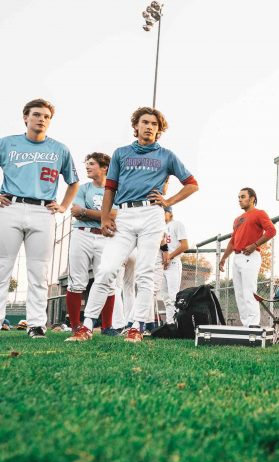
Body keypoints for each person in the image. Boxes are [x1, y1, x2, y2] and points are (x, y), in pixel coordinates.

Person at [66, 106, 198, 343]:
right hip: (124, 215)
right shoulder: (121, 153)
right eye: (145, 122)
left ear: (159, 130)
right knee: (106, 269)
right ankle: (85, 326)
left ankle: (136, 326)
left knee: (145, 272)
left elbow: (192, 183)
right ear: (136, 126)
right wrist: (105, 217)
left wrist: (168, 201)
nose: (149, 127)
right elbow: (110, 187)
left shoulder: (166, 155)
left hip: (151, 214)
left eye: (154, 124)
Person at [0, 98, 79, 339]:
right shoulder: (7, 143)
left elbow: (73, 181)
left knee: (39, 270)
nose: (41, 119)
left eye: (46, 116)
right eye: (36, 114)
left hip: (43, 211)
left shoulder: (59, 149)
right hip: (10, 207)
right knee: (3, 266)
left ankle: (36, 324)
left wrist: (64, 205)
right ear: (26, 117)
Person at [65, 152, 118, 333]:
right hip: (82, 234)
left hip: (105, 236)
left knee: (107, 279)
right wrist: (102, 215)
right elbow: (75, 211)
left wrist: (86, 212)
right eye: (87, 163)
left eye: (92, 163)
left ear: (104, 168)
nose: (87, 166)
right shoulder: (84, 188)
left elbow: (115, 215)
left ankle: (107, 326)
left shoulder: (114, 190)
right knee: (77, 281)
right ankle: (75, 326)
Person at [218, 188, 276, 327]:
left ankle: (253, 325)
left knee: (249, 292)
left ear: (252, 198)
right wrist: (224, 258)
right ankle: (246, 325)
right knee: (239, 294)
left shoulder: (259, 213)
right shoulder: (237, 219)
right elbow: (233, 241)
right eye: (238, 197)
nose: (240, 199)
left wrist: (255, 244)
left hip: (250, 255)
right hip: (237, 258)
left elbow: (272, 230)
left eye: (243, 196)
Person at [159, 208, 189, 323]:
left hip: (173, 263)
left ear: (170, 213)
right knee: (165, 298)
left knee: (173, 296)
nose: (162, 215)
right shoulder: (159, 226)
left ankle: (176, 323)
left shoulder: (177, 224)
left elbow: (185, 245)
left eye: (164, 212)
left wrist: (169, 256)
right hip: (161, 265)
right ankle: (169, 323)